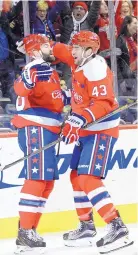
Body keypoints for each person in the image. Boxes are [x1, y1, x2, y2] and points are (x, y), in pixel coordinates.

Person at [33, 30, 134, 253]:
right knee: (76, 178)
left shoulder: (95, 68)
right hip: (86, 131)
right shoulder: (79, 58)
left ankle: (117, 227)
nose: (72, 51)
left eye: (76, 47)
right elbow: (60, 51)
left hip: (101, 130)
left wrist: (77, 119)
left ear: (89, 51)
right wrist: (42, 43)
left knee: (88, 178)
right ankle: (87, 226)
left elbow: (104, 105)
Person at [11, 34, 64, 254]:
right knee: (37, 177)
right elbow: (21, 89)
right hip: (36, 128)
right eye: (44, 45)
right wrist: (29, 76)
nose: (49, 47)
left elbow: (55, 99)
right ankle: (25, 232)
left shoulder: (47, 68)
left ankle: (29, 230)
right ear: (33, 51)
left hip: (48, 129)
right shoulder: (34, 67)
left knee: (46, 182)